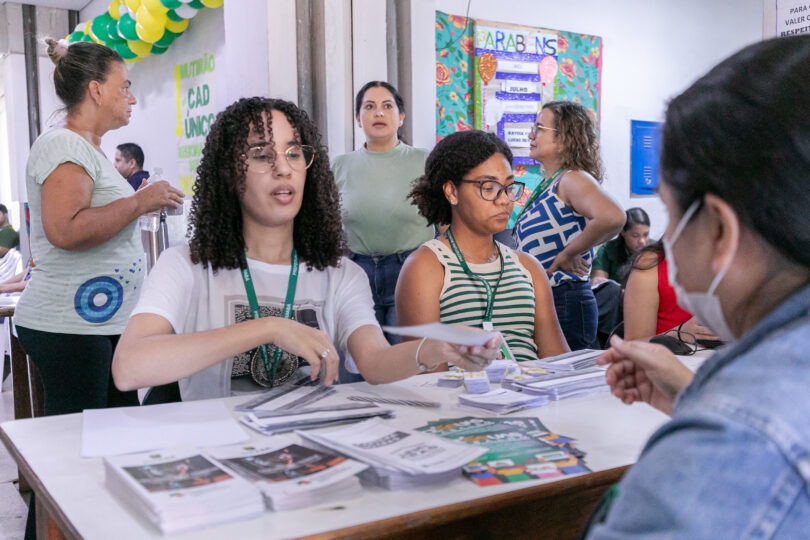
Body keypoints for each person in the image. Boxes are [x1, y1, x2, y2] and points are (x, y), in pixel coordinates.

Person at [111, 97, 501, 400]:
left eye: (295, 153)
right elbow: (129, 368)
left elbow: (376, 363)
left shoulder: (341, 275)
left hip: (311, 465)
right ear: (230, 173)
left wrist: (437, 348)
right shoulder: (186, 265)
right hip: (223, 468)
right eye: (263, 155)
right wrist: (268, 328)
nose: (284, 167)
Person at [589, 36, 810, 538]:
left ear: (718, 230)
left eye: (671, 212)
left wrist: (716, 419)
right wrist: (696, 397)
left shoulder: (731, 445)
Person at [15, 38, 183, 540]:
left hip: (96, 329)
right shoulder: (63, 145)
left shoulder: (88, 148)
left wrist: (142, 203)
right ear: (95, 89)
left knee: (109, 452)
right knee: (72, 464)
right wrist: (139, 200)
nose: (131, 96)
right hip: (69, 331)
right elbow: (66, 230)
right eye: (124, 86)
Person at [397, 130, 568, 363]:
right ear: (452, 192)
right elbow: (425, 375)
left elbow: (558, 363)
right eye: (489, 188)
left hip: (533, 394)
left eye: (508, 187)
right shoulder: (426, 266)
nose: (505, 199)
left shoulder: (528, 267)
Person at [514, 101, 625, 350]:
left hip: (564, 298)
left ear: (564, 138)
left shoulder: (572, 178)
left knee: (566, 381)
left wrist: (568, 253)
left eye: (539, 128)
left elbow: (614, 217)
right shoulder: (552, 182)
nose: (531, 134)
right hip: (552, 299)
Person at [332, 81, 432, 344]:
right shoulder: (340, 166)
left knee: (408, 365)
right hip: (356, 272)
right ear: (357, 118)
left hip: (411, 271)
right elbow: (326, 221)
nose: (378, 113)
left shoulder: (424, 161)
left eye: (387, 106)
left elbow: (445, 221)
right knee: (355, 368)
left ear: (401, 117)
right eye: (369, 106)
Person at [591, 207, 650, 286]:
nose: (642, 241)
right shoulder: (607, 250)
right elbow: (599, 285)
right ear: (623, 232)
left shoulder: (654, 250)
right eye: (635, 236)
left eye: (646, 235)